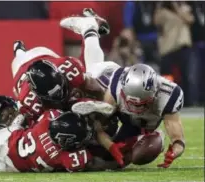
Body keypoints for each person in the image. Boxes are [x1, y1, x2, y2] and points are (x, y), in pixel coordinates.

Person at [61, 15, 185, 169]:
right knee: (91, 78)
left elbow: (177, 137)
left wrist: (176, 149)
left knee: (125, 158)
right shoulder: (116, 85)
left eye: (141, 104)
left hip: (137, 124)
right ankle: (89, 29)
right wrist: (110, 145)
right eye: (131, 102)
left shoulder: (168, 95)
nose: (135, 107)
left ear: (154, 95)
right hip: (109, 85)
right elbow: (99, 125)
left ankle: (90, 29)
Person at [0, 102, 119, 172]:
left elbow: (63, 114)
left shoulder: (48, 119)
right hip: (14, 161)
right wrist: (117, 163)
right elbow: (98, 164)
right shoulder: (63, 157)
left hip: (13, 137)